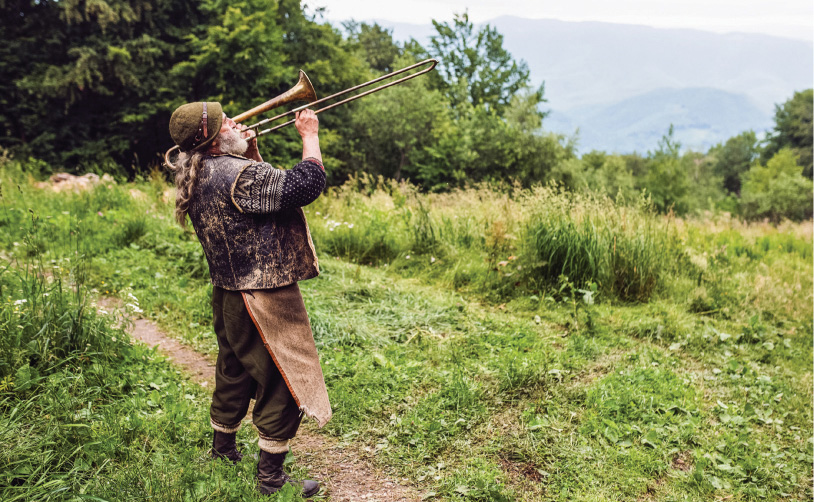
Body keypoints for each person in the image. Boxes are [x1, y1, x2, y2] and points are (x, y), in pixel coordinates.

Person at [167, 101, 331, 498]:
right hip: (262, 299)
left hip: (228, 294)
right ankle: (271, 480)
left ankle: (222, 452)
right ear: (215, 135)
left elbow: (264, 196)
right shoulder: (237, 175)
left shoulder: (201, 170)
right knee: (281, 378)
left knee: (234, 371)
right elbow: (304, 186)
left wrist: (252, 153)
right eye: (226, 121)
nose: (234, 122)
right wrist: (310, 134)